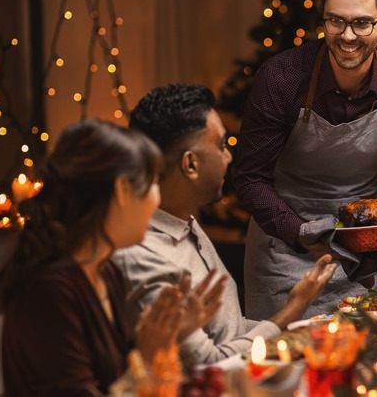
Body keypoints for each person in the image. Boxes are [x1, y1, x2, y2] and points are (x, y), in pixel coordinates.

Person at [235, 0, 377, 320]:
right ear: (323, 17)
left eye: (361, 22)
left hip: (372, 254)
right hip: (285, 252)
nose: (346, 36)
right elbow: (250, 179)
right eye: (335, 20)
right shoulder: (280, 78)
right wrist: (303, 233)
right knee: (284, 370)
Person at [0, 119, 225, 396]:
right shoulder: (49, 292)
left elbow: (114, 377)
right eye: (152, 183)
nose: (156, 199)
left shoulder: (106, 272)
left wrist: (168, 338)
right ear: (122, 190)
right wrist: (148, 361)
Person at [112, 84, 338, 366]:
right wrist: (291, 311)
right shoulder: (144, 256)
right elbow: (207, 362)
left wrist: (300, 329)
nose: (229, 157)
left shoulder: (185, 222)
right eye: (221, 146)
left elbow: (226, 333)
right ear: (190, 164)